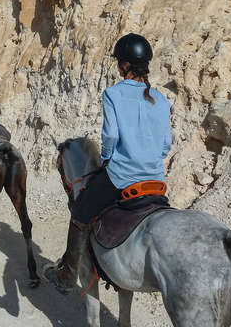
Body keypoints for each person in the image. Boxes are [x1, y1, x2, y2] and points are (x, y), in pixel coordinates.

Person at [44, 33, 172, 294]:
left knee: (80, 212)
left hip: (122, 176)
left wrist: (106, 159)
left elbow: (111, 135)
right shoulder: (161, 99)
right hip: (156, 180)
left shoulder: (113, 94)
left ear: (123, 65)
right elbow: (165, 145)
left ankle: (68, 274)